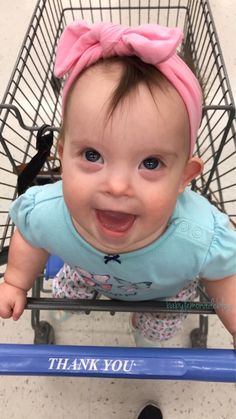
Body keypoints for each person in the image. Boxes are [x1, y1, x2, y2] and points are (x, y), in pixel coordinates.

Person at [0, 21, 235, 348]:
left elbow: (224, 274)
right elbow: (29, 236)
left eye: (150, 163)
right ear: (63, 157)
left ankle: (144, 332)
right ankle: (74, 307)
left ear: (184, 177)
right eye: (92, 155)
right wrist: (14, 282)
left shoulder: (197, 234)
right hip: (84, 271)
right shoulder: (49, 211)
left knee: (156, 334)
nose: (117, 186)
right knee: (66, 291)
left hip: (164, 293)